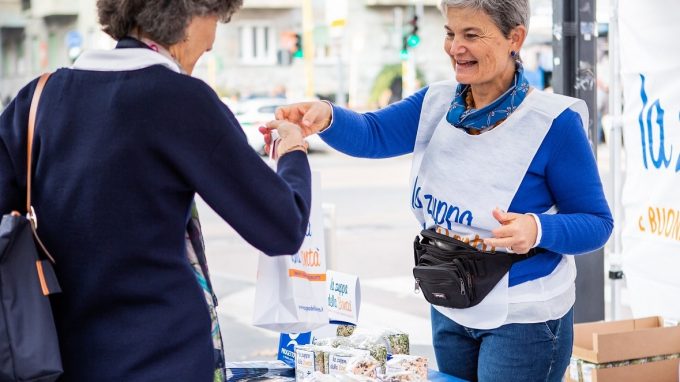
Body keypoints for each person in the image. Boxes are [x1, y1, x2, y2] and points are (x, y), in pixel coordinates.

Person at [265, 1, 613, 381]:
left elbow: (597, 222)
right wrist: (327, 116)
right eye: (450, 33)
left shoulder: (554, 123)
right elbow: (374, 133)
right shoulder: (437, 101)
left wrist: (538, 229)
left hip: (523, 318)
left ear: (515, 38)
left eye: (471, 35)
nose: (454, 48)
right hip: (448, 301)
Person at [0, 0, 312, 381]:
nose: (213, 38)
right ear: (191, 13)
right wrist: (293, 150)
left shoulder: (38, 98)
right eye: (216, 16)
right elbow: (283, 226)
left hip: (59, 356)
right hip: (164, 355)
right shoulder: (183, 100)